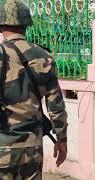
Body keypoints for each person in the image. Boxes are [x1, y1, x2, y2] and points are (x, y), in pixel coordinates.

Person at [0, 0, 68, 179]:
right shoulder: (43, 56)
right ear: (26, 24)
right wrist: (62, 140)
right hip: (33, 148)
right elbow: (56, 107)